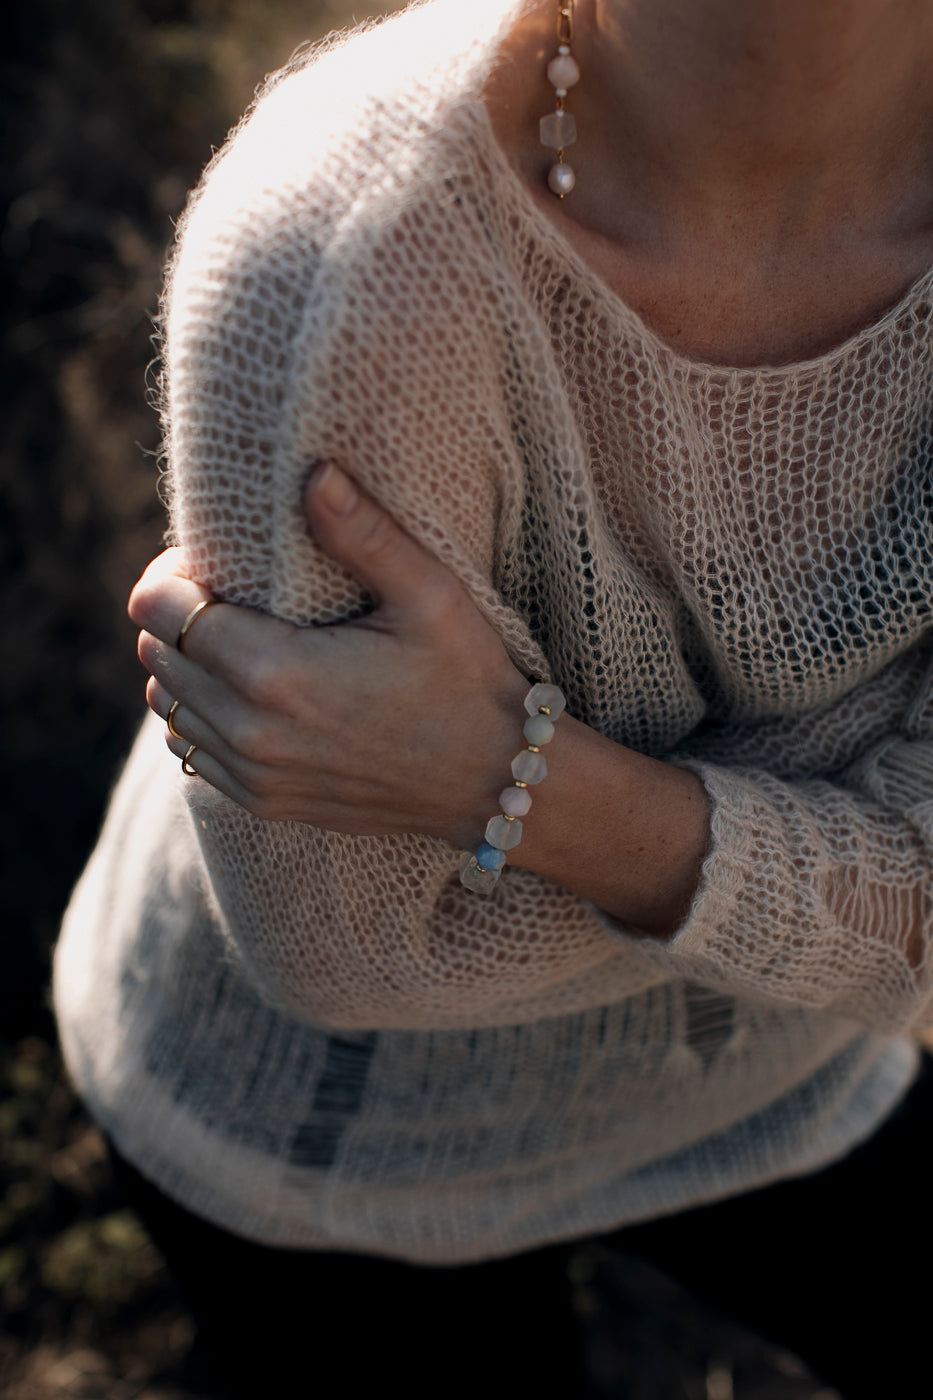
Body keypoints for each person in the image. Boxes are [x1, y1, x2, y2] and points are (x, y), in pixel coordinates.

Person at [56, 0, 933, 1394]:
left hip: (796, 1086)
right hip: (340, 1158)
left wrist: (497, 780)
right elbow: (351, 957)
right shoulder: (352, 250)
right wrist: (853, 863)